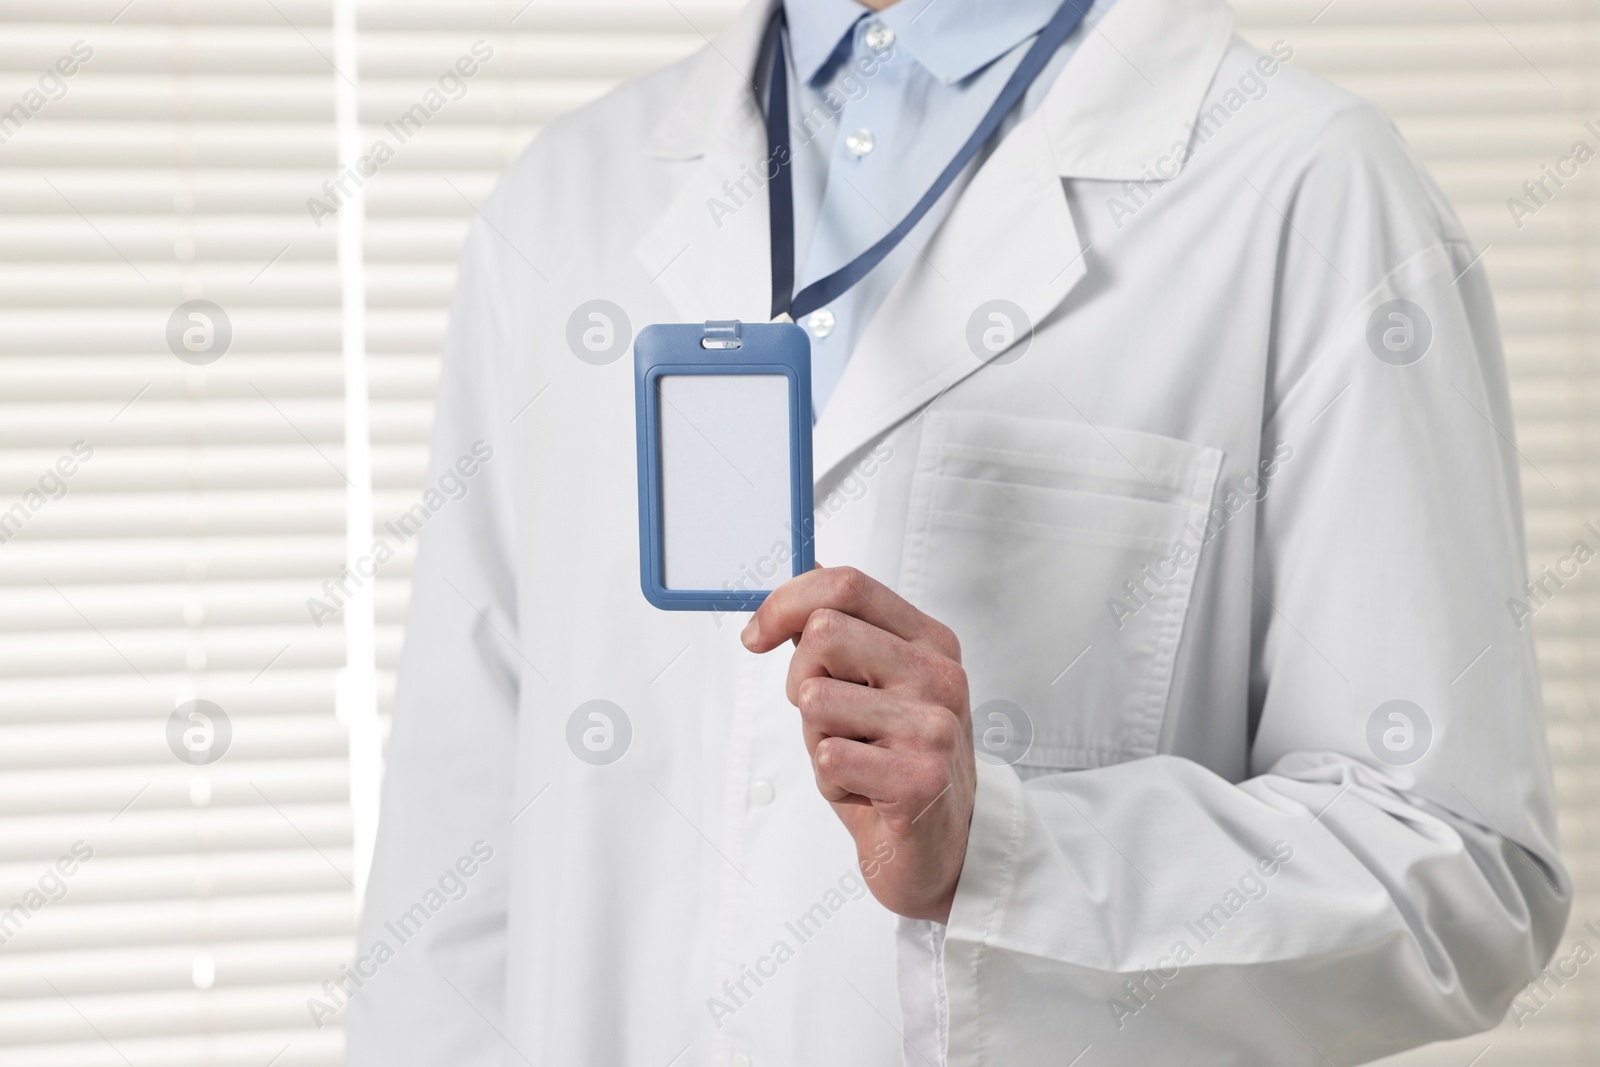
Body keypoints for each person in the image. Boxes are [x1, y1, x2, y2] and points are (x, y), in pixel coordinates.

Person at [347, 0, 1570, 1063]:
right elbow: (453, 880)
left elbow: (1461, 874)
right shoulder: (562, 201)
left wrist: (1005, 850)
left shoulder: (1304, 185)